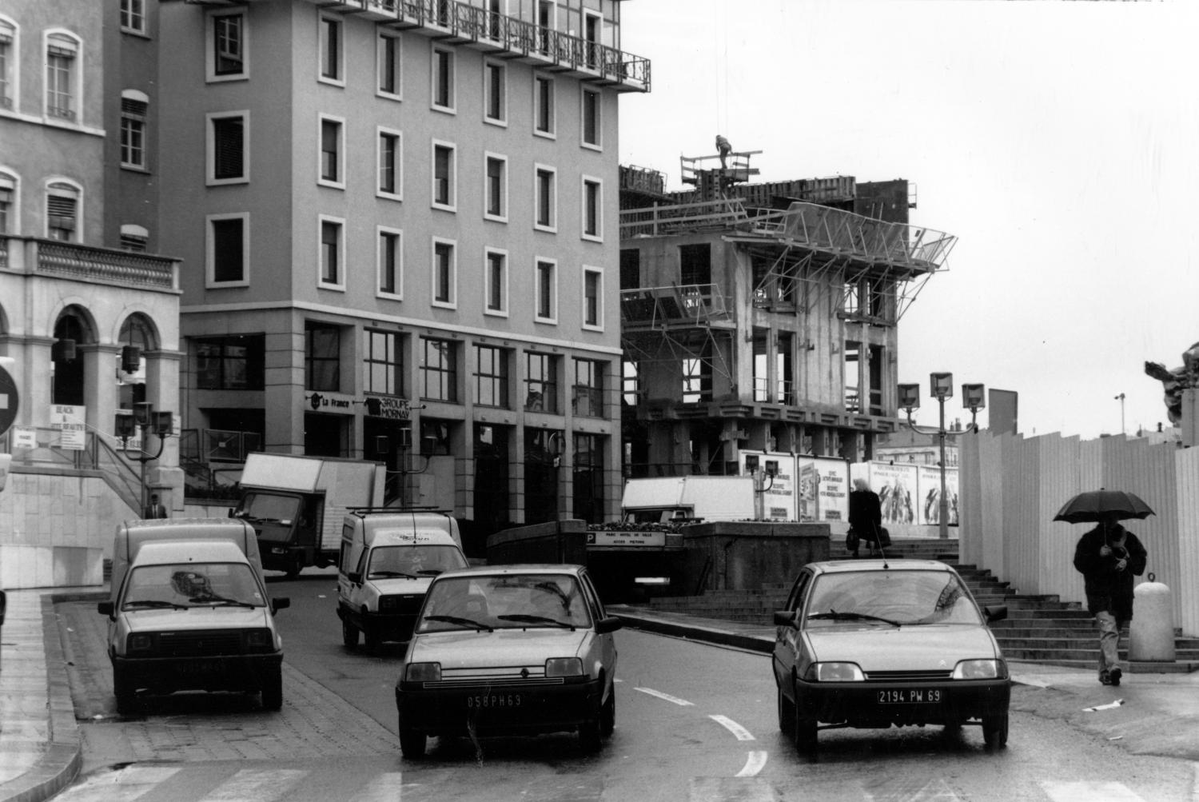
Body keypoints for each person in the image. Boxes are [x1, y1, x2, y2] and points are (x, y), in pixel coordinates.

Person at [1072, 516, 1147, 686]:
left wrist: (1127, 562)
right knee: (1109, 629)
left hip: (1121, 595)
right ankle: (1114, 667)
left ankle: (1104, 671)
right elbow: (1079, 563)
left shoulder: (1130, 539)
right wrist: (1098, 555)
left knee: (1113, 633)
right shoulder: (1090, 540)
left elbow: (1140, 565)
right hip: (1100, 594)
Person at [847, 478, 882, 558]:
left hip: (858, 520)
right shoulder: (874, 495)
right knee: (871, 537)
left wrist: (851, 519)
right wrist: (878, 521)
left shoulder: (854, 495)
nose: (855, 486)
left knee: (857, 536)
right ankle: (872, 552)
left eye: (856, 485)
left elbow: (852, 509)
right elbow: (877, 510)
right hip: (871, 521)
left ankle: (856, 552)